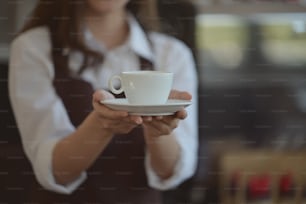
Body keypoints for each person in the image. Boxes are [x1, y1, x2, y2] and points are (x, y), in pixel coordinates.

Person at [8, 0, 198, 203]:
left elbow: (170, 172)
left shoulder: (172, 54)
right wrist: (101, 124)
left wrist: (156, 130)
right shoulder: (32, 48)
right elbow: (56, 171)